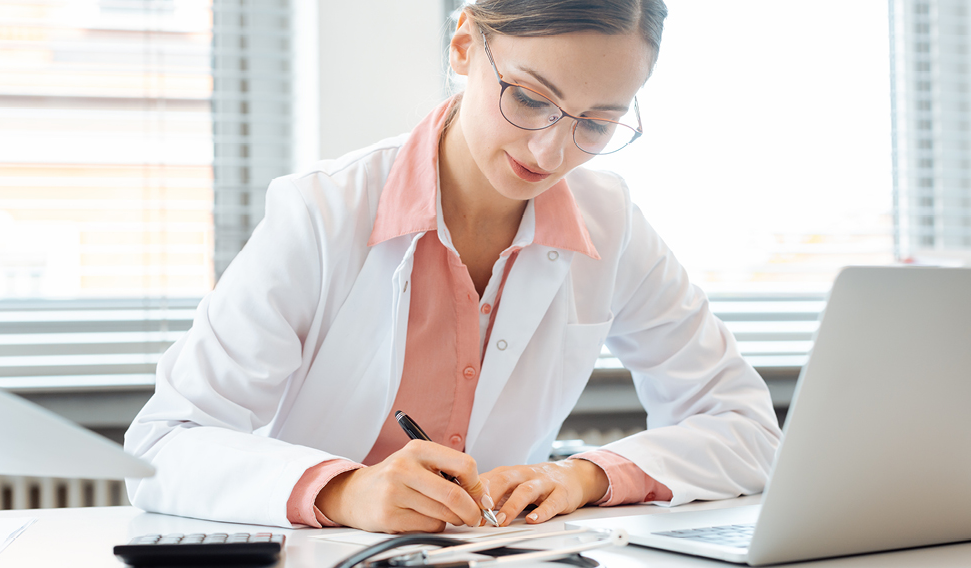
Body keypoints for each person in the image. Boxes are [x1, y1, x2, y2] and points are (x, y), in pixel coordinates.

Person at [124, 0, 781, 534]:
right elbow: (161, 448)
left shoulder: (609, 221)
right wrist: (347, 491)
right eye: (528, 99)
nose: (552, 151)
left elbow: (747, 429)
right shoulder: (322, 213)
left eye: (597, 124)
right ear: (465, 45)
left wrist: (582, 476)